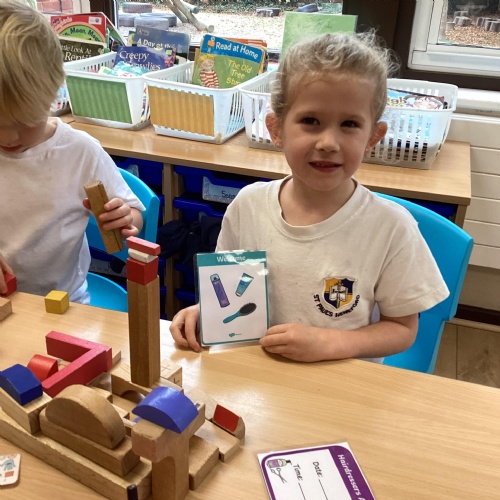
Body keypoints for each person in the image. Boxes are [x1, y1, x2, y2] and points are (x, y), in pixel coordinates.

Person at [170, 32, 449, 363]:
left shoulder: (392, 228)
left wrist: (332, 342)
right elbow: (232, 295)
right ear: (276, 130)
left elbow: (402, 328)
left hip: (339, 381)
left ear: (372, 138)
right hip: (257, 374)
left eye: (349, 124)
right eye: (310, 121)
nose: (328, 142)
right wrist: (206, 312)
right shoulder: (247, 206)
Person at [0, 0, 144, 303]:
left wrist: (123, 219)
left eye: (24, 122)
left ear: (54, 95)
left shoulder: (81, 153)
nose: (8, 137)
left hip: (65, 302)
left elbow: (133, 216)